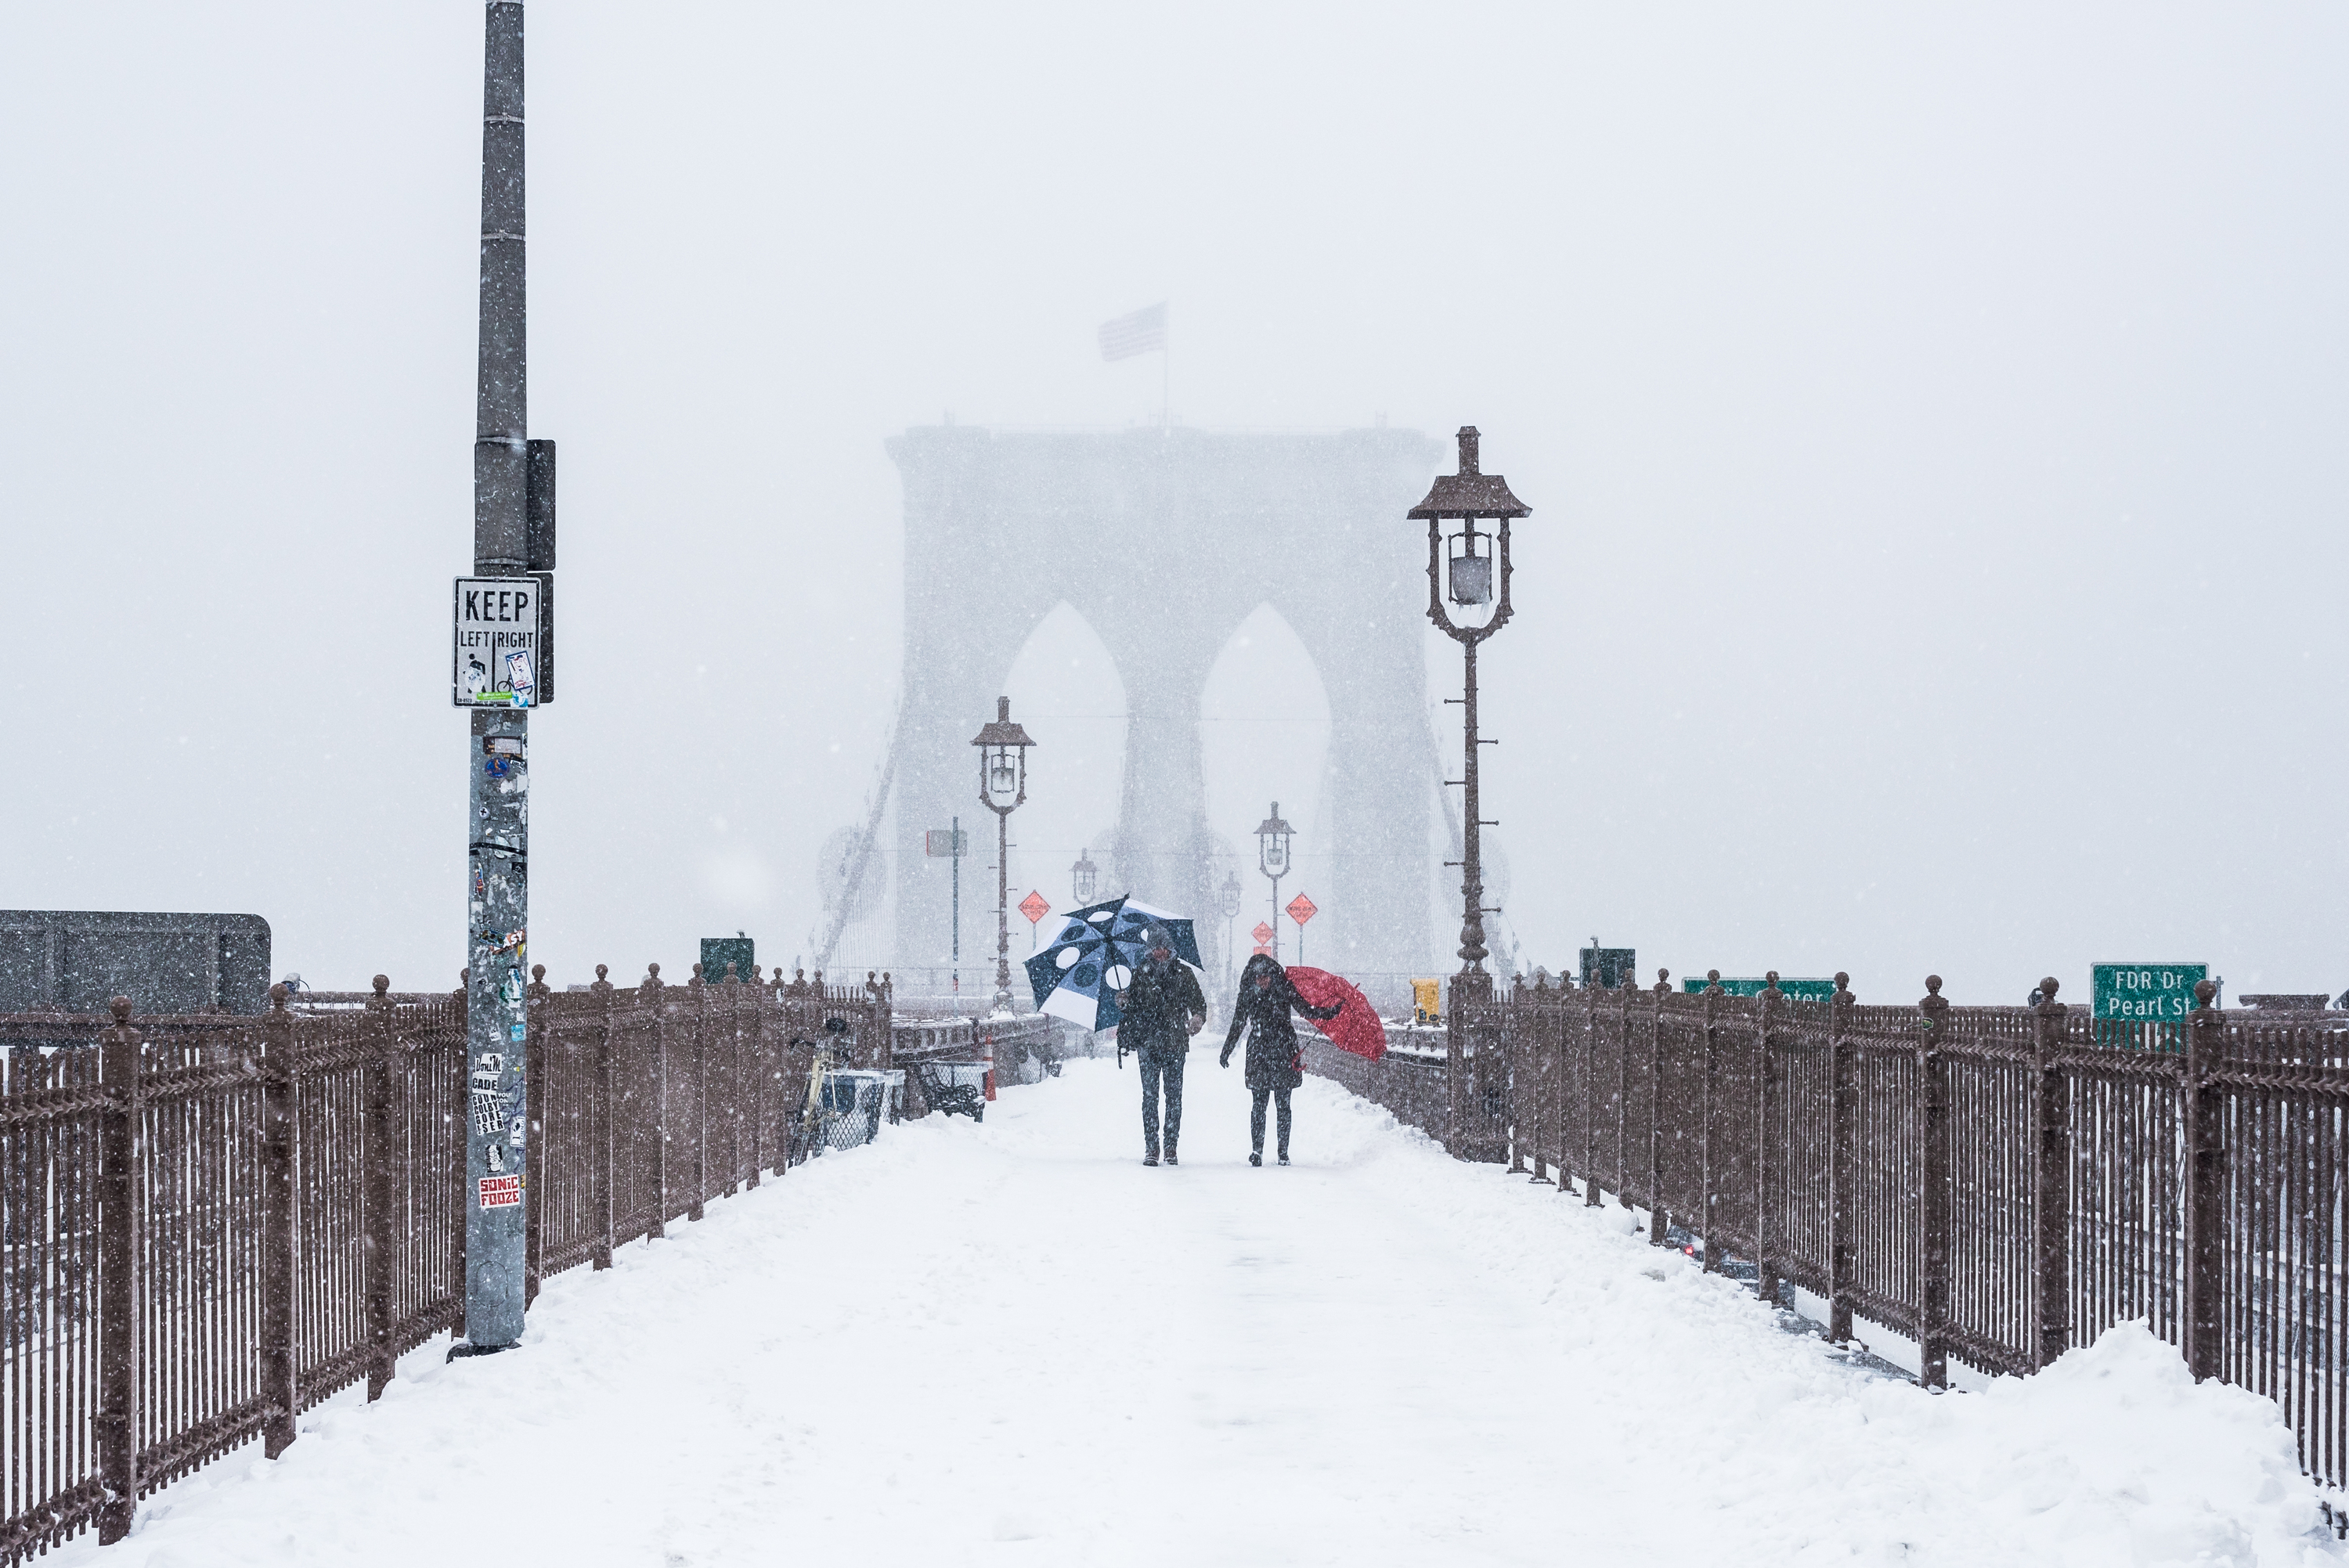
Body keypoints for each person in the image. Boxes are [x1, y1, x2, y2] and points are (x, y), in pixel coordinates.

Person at [1220, 953, 1340, 1166]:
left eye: (1265, 977)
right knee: (1260, 1104)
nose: (1262, 981)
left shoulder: (1284, 988)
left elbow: (1306, 1010)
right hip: (1265, 1052)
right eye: (1258, 977)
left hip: (1281, 1051)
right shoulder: (1249, 993)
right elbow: (1238, 1023)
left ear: (1272, 975)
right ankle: (1257, 1151)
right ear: (1253, 977)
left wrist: (1331, 1013)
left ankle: (1282, 1153)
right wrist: (1227, 1049)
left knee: (1282, 1104)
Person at [1114, 925, 1205, 1166]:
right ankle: (1152, 1147)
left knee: (1174, 1097)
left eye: (1164, 948)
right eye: (1156, 949)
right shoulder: (1140, 975)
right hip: (1148, 1043)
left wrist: (1197, 1019)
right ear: (1149, 951)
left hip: (1175, 1043)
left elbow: (1199, 1004)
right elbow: (1132, 1009)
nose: (1160, 953)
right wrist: (1124, 1002)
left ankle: (1171, 1147)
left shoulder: (1184, 974)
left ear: (1171, 949)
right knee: (1150, 1097)